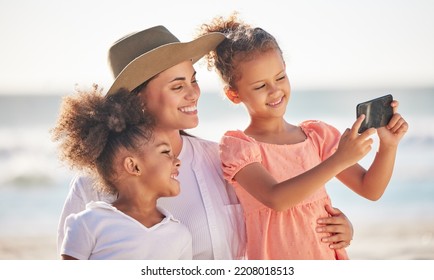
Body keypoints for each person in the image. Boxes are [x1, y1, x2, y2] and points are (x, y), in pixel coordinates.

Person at [57, 25, 356, 260]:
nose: (193, 94)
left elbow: (282, 211)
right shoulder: (94, 184)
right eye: (178, 86)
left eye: (194, 80)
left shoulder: (223, 160)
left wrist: (338, 226)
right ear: (137, 100)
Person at [198, 13, 409, 260]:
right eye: (260, 86)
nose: (275, 90)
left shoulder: (316, 136)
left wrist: (389, 146)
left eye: (280, 77)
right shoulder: (238, 146)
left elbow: (370, 189)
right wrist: (338, 160)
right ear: (234, 95)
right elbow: (276, 198)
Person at [51, 86, 192, 259]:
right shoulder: (88, 223)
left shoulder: (180, 235)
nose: (177, 161)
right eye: (165, 152)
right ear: (133, 166)